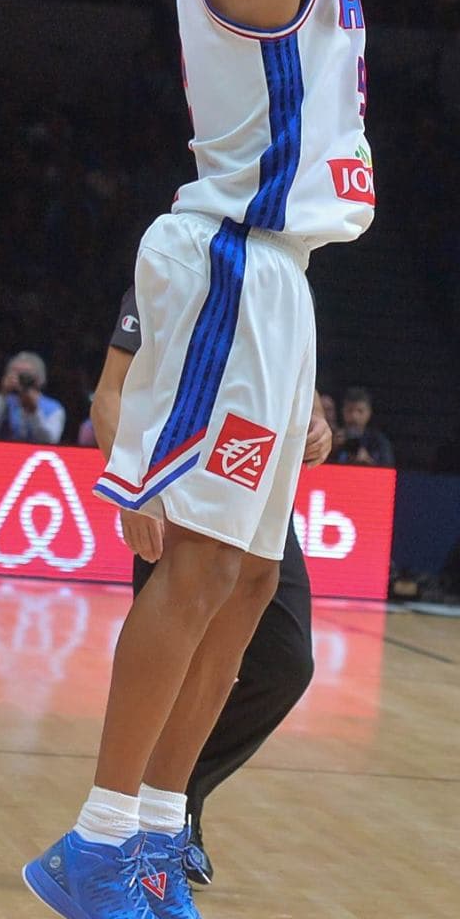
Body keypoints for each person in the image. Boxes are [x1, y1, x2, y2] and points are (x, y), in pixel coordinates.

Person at [22, 0, 460, 919]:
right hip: (227, 264)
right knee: (197, 574)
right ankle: (98, 840)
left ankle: (158, 835)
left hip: (278, 278)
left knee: (247, 578)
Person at [90, 286, 324, 887]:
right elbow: (111, 394)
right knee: (175, 666)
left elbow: (299, 400)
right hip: (180, 490)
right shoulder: (177, 262)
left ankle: (176, 789)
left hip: (255, 497)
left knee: (287, 663)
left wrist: (315, 425)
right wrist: (133, 484)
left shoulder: (283, 278)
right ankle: (128, 824)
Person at [0, 352, 67, 444]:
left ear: (39, 379)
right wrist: (2, 395)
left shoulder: (54, 409)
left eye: (25, 375)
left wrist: (34, 412)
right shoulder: (4, 402)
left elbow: (50, 442)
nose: (20, 380)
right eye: (15, 374)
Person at [329, 385, 395, 467]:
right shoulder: (332, 437)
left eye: (360, 411)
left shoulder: (379, 442)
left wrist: (368, 462)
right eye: (349, 410)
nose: (354, 416)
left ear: (369, 413)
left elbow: (388, 470)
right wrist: (331, 449)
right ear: (343, 411)